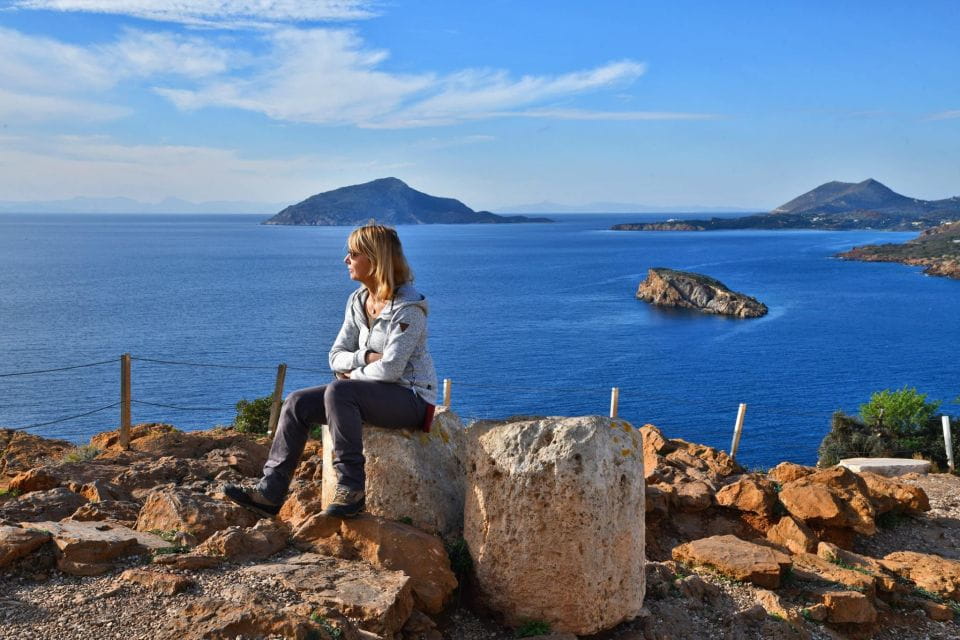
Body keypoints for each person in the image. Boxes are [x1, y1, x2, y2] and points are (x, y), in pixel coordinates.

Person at [224, 223, 437, 518]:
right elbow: (335, 356)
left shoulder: (408, 308)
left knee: (340, 391)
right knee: (297, 402)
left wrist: (353, 374)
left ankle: (351, 488)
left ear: (375, 259)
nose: (345, 259)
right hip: (368, 393)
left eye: (353, 254)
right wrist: (365, 357)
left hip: (411, 398)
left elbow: (390, 369)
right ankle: (270, 492)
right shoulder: (358, 300)